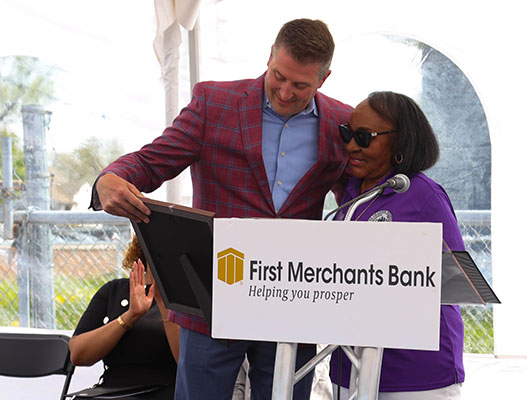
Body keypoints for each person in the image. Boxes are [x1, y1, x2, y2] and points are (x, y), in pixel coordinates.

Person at [90, 18, 352, 400]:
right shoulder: (214, 102)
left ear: (324, 79)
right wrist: (108, 180)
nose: (284, 91)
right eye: (278, 75)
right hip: (213, 290)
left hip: (293, 295)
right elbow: (151, 161)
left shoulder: (341, 123)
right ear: (269, 58)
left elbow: (361, 196)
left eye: (300, 85)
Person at [330, 91, 465, 399]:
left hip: (413, 375)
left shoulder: (424, 196)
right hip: (348, 368)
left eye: (364, 137)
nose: (351, 145)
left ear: (401, 142)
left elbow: (456, 280)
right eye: (348, 134)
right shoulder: (350, 195)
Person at [69, 236, 180, 399]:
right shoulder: (114, 290)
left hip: (165, 392)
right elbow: (78, 354)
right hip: (111, 393)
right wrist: (130, 316)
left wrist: (164, 302)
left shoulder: (190, 299)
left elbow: (189, 365)